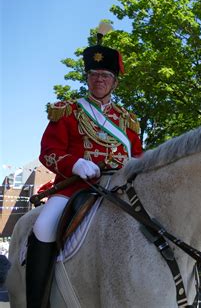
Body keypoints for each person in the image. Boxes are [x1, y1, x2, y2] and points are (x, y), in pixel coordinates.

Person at [26, 22, 143, 308]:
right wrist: (75, 164)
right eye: (93, 75)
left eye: (105, 75)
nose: (98, 80)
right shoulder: (68, 111)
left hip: (119, 187)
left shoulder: (127, 121)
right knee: (42, 226)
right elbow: (48, 152)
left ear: (115, 81)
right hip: (74, 187)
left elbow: (139, 158)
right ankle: (36, 302)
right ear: (87, 77)